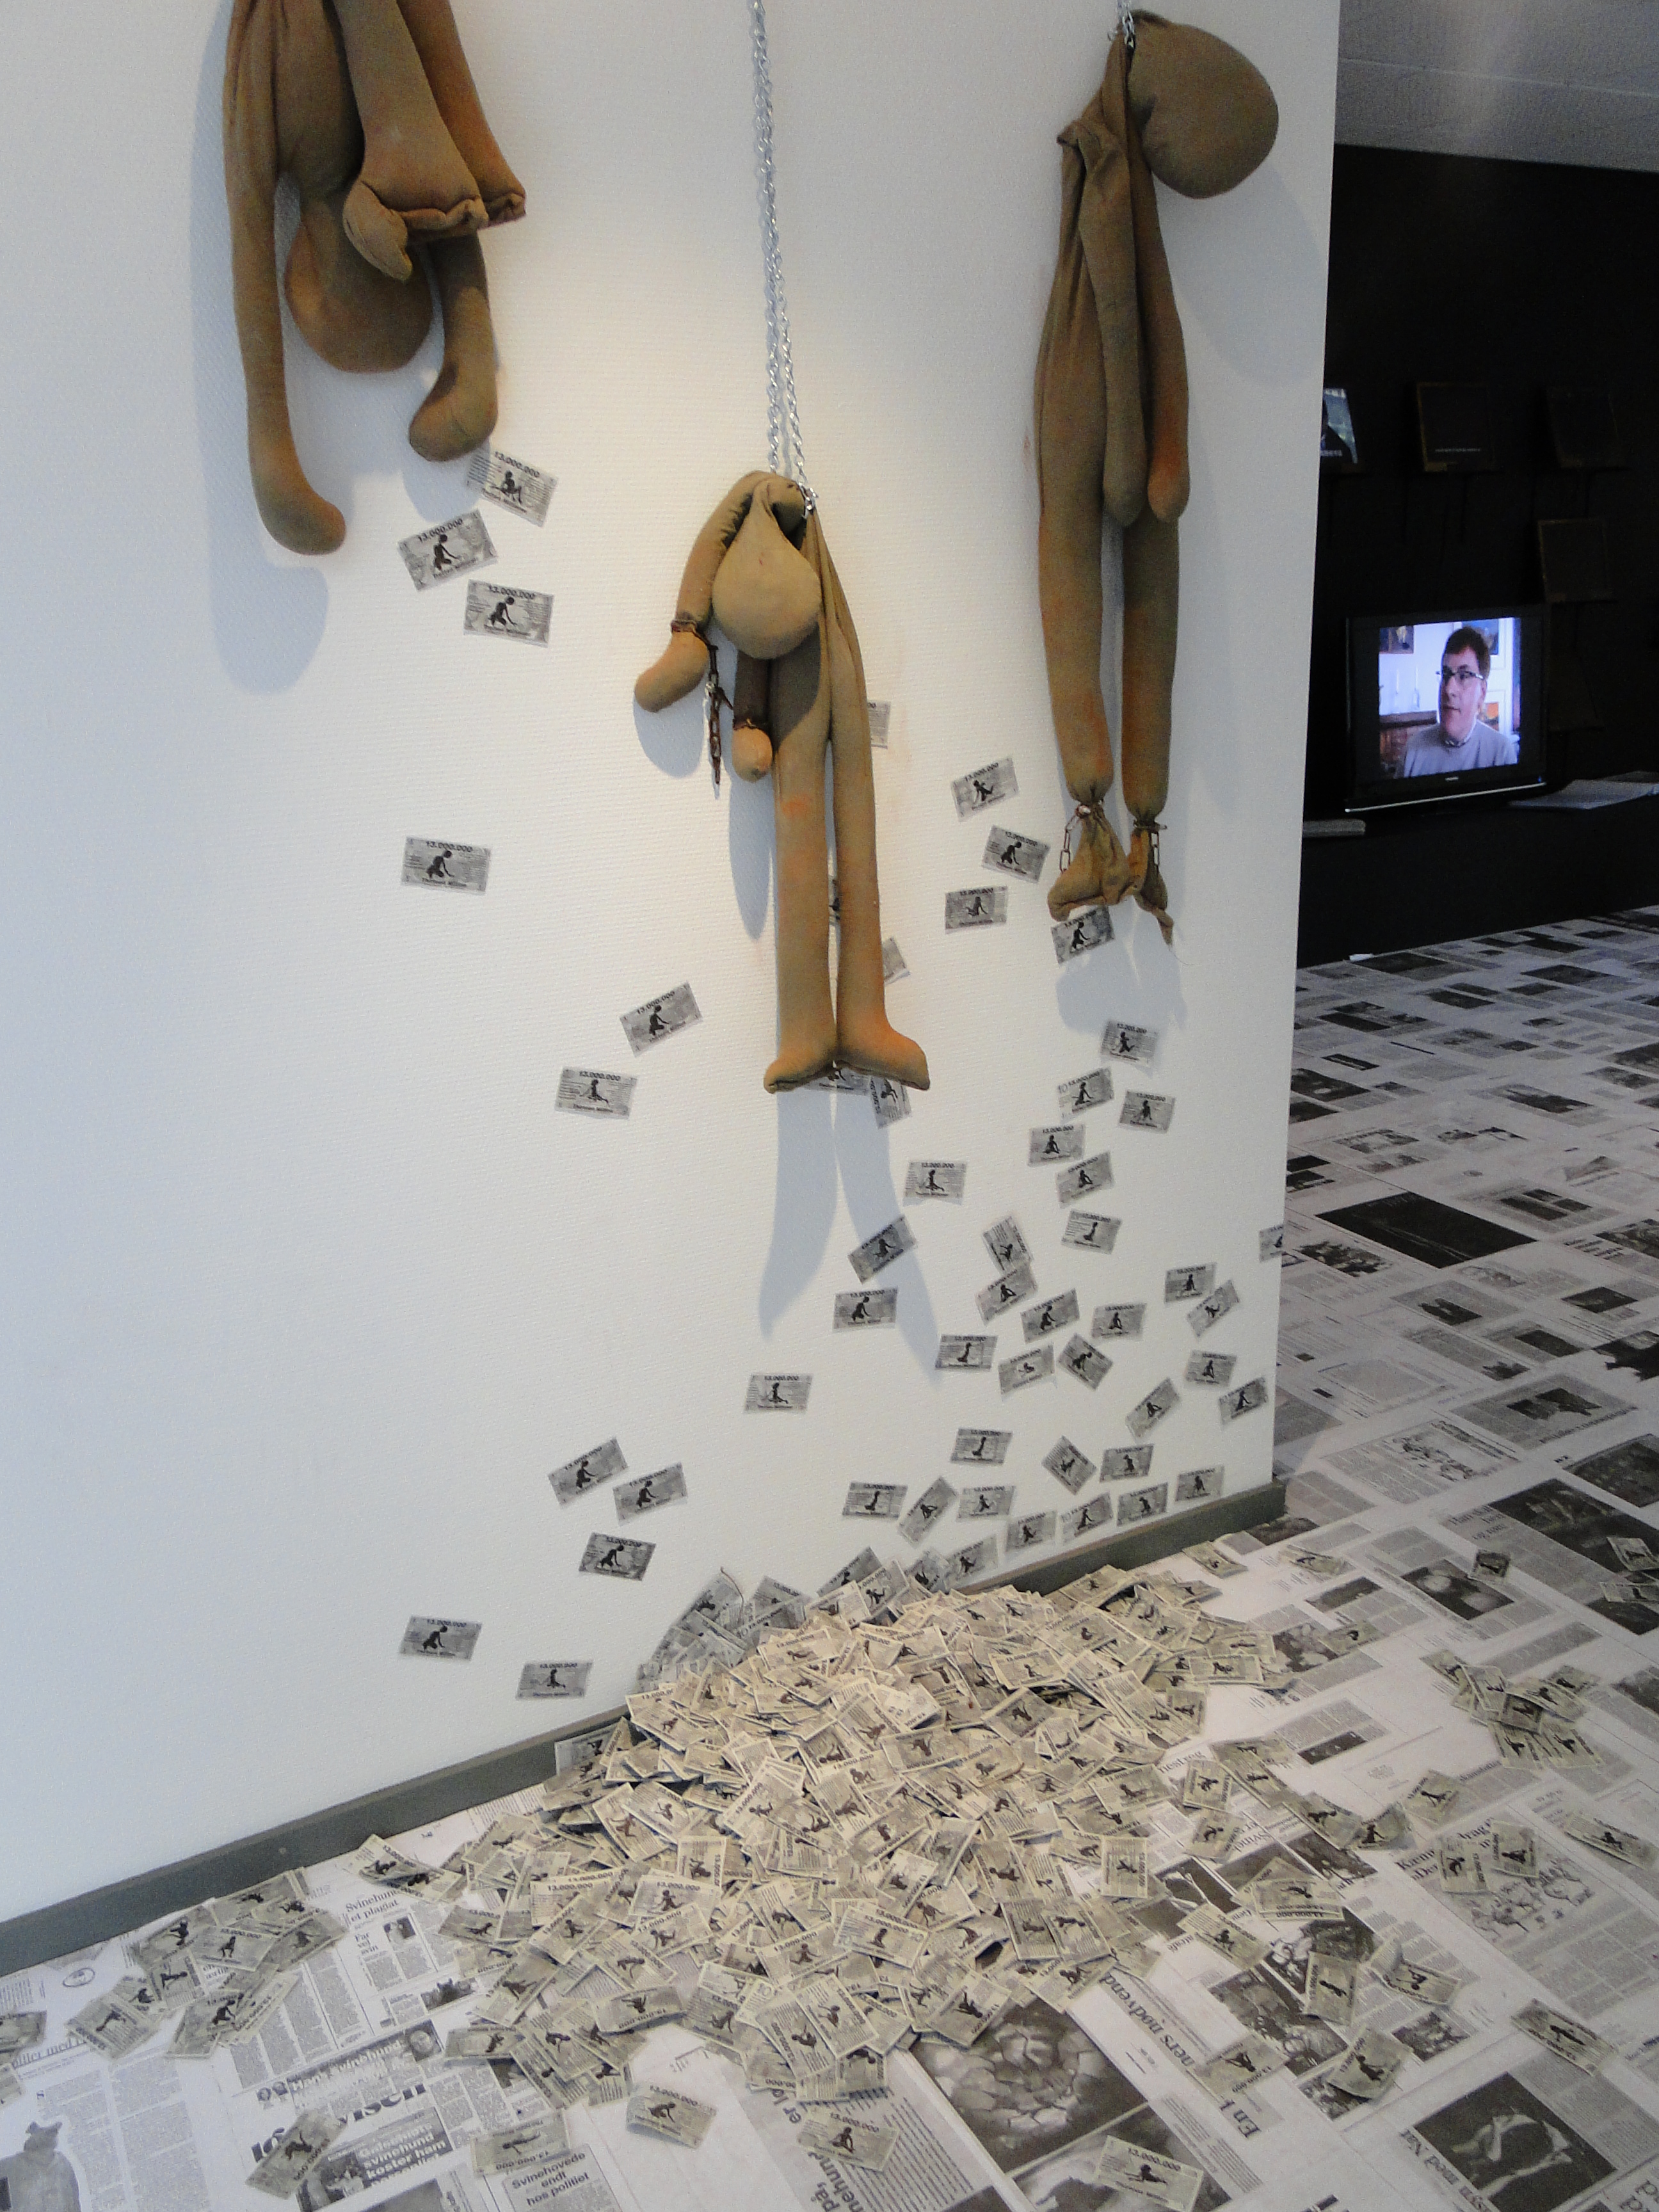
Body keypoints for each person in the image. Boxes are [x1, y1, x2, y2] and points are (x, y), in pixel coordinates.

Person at [1402, 627, 1518, 774]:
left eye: (1463, 676)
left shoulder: (1501, 754)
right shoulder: (1413, 751)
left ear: (1482, 692)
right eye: (1446, 674)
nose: (1448, 689)